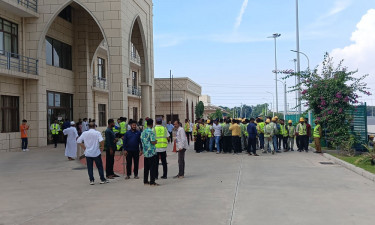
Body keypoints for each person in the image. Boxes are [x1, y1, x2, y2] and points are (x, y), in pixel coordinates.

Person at [140, 119, 159, 186]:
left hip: (145, 152)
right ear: (152, 124)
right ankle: (152, 182)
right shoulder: (151, 132)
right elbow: (152, 141)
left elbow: (141, 141)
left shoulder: (143, 131)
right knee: (152, 167)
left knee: (146, 168)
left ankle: (145, 181)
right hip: (151, 152)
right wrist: (156, 141)